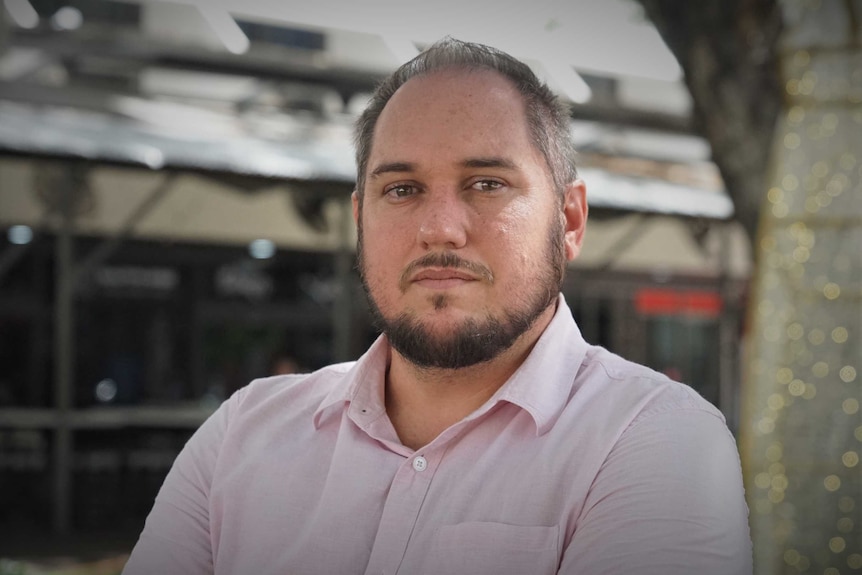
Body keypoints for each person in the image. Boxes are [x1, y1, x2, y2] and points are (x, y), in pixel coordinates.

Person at [123, 38, 752, 574]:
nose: (440, 228)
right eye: (402, 189)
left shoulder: (654, 439)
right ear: (360, 219)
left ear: (569, 220)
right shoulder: (243, 434)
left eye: (486, 184)